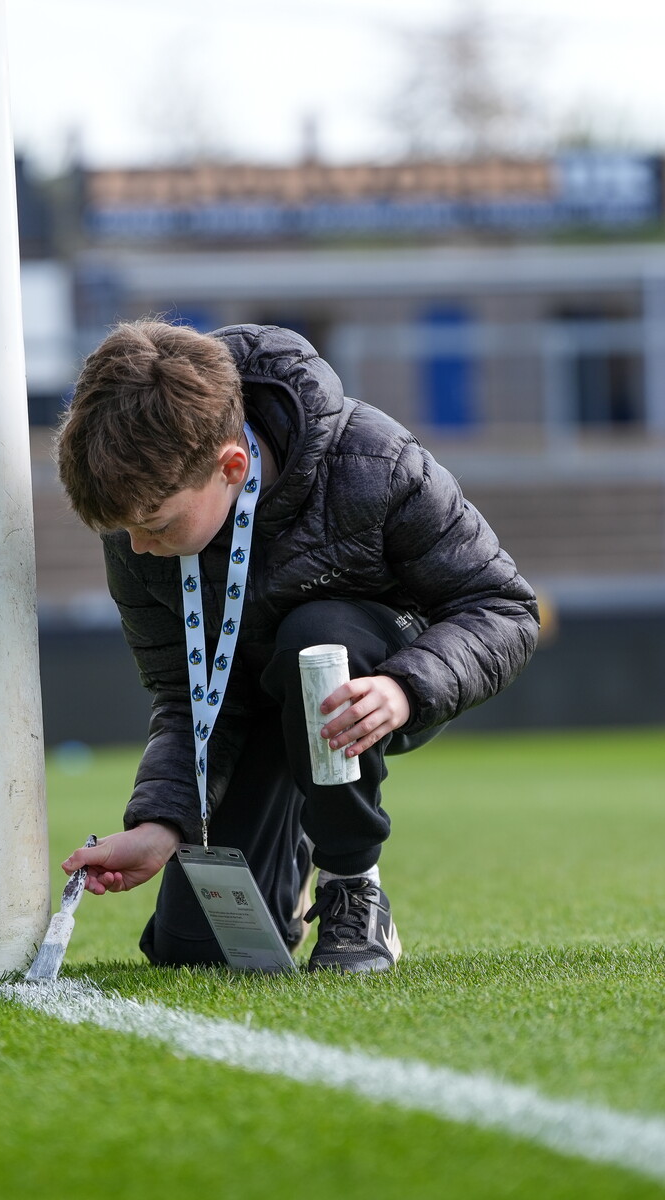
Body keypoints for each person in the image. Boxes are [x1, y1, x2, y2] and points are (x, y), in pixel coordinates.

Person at [55, 320, 538, 973]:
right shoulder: (137, 530)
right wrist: (159, 826)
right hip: (253, 703)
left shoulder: (374, 461)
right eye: (125, 532)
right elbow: (185, 693)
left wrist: (406, 687)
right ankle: (283, 884)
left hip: (373, 679)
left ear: (232, 465)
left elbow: (504, 607)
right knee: (198, 952)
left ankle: (352, 886)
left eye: (156, 526)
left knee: (318, 639)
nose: (139, 547)